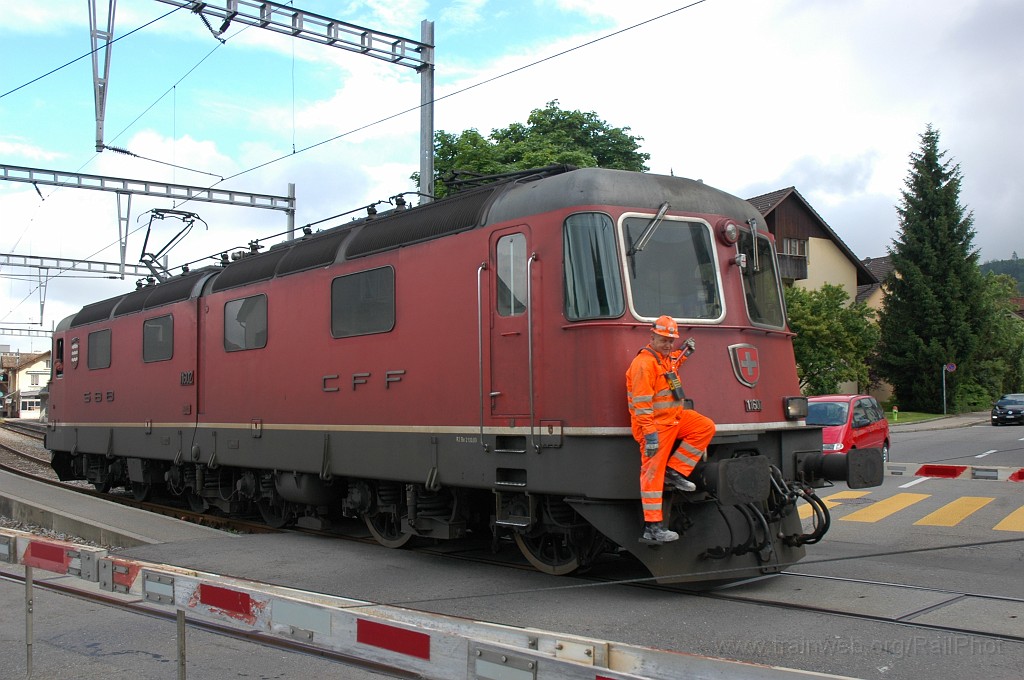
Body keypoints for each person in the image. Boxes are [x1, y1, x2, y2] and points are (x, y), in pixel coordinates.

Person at [626, 315, 716, 543]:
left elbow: (673, 364)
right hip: (655, 426)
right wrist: (650, 435)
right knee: (651, 476)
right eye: (664, 340)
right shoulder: (643, 364)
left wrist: (684, 352)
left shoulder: (663, 359)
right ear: (652, 337)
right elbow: (641, 404)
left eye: (671, 340)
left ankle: (673, 471)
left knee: (705, 427)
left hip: (674, 420)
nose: (668, 344)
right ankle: (653, 528)